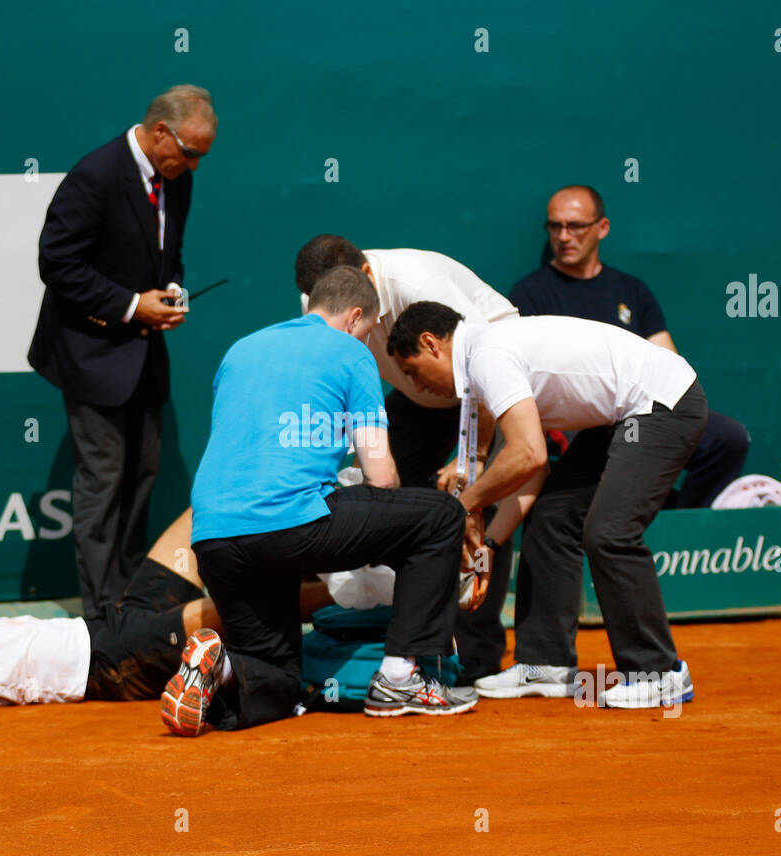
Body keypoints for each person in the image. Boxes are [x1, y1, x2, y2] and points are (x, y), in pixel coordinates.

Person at [162, 265, 476, 737]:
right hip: (293, 525)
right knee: (439, 517)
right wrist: (386, 545)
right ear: (355, 318)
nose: (366, 342)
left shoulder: (240, 350)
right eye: (368, 332)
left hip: (214, 539)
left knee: (280, 678)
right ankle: (400, 679)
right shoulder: (350, 351)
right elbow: (381, 476)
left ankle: (221, 666)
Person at [387, 302, 707, 709]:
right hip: (624, 415)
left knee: (609, 533)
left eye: (413, 371)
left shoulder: (488, 357)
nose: (417, 385)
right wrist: (490, 546)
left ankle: (659, 673)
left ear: (431, 344)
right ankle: (547, 663)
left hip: (663, 404)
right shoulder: (481, 363)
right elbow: (530, 472)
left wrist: (462, 506)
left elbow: (528, 455)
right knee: (554, 515)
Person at [293, 236, 522, 684]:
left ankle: (476, 656)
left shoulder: (419, 283)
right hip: (419, 393)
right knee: (397, 507)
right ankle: (408, 645)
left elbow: (485, 364)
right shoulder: (318, 301)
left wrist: (470, 460)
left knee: (478, 501)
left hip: (492, 389)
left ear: (364, 277)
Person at [27, 84, 217, 619]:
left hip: (144, 359)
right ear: (162, 133)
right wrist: (133, 306)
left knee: (142, 478)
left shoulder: (175, 179)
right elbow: (57, 264)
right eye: (191, 152)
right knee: (103, 483)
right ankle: (99, 617)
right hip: (92, 355)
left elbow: (167, 253)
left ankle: (127, 604)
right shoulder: (95, 175)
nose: (195, 165)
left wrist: (171, 291)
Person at [0, 509, 327, 710]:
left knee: (204, 514)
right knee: (232, 609)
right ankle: (355, 592)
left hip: (109, 623)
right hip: (109, 664)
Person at [509, 185, 749, 508]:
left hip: (644, 414)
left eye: (575, 226)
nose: (564, 236)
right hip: (588, 424)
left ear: (602, 228)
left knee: (728, 439)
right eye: (555, 226)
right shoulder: (530, 294)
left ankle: (682, 534)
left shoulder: (632, 290)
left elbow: (669, 362)